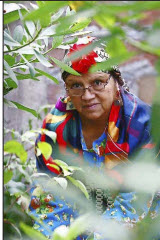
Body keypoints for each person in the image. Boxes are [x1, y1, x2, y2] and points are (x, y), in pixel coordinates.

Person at [29, 36, 160, 240]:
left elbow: (131, 207)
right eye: (76, 85)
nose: (87, 95)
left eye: (97, 82)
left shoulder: (144, 126)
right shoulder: (55, 129)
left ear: (117, 84)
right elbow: (49, 200)